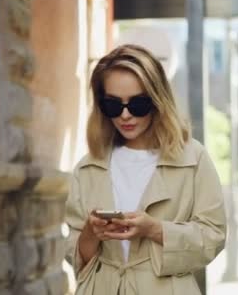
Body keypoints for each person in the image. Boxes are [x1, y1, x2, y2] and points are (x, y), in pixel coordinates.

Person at [64, 44, 227, 295]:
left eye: (137, 104)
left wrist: (155, 229)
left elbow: (213, 236)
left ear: (157, 100)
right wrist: (91, 232)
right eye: (113, 105)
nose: (125, 115)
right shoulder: (87, 168)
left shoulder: (192, 159)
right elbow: (77, 258)